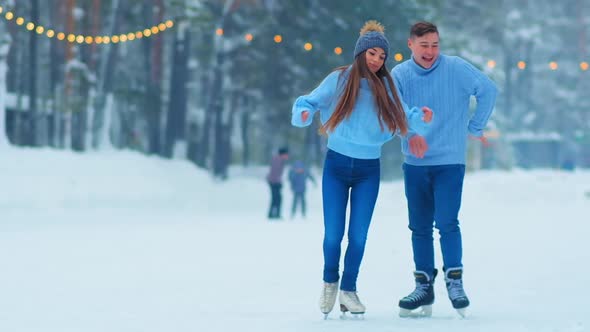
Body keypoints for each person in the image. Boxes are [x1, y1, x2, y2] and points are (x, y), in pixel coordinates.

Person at [292, 20, 433, 318]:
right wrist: (303, 113)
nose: (377, 60)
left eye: (381, 56)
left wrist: (420, 118)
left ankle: (349, 290)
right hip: (337, 165)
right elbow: (308, 101)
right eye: (372, 54)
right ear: (360, 54)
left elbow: (404, 118)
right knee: (333, 234)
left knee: (358, 236)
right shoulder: (339, 79)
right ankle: (330, 282)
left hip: (369, 169)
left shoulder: (386, 86)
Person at [391, 21, 498, 318]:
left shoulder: (457, 69)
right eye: (424, 45)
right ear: (411, 44)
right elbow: (395, 111)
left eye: (435, 45)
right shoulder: (399, 75)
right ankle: (424, 284)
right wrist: (410, 135)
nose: (430, 51)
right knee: (420, 227)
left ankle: (455, 281)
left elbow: (488, 90)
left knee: (447, 222)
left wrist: (476, 126)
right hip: (415, 164)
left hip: (450, 161)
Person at [266, 147, 289, 219]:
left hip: (274, 181)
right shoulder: (278, 160)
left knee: (276, 198)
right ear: (283, 154)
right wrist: (278, 182)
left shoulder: (278, 160)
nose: (287, 156)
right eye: (286, 154)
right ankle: (274, 214)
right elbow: (275, 172)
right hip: (274, 182)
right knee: (277, 198)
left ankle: (273, 214)